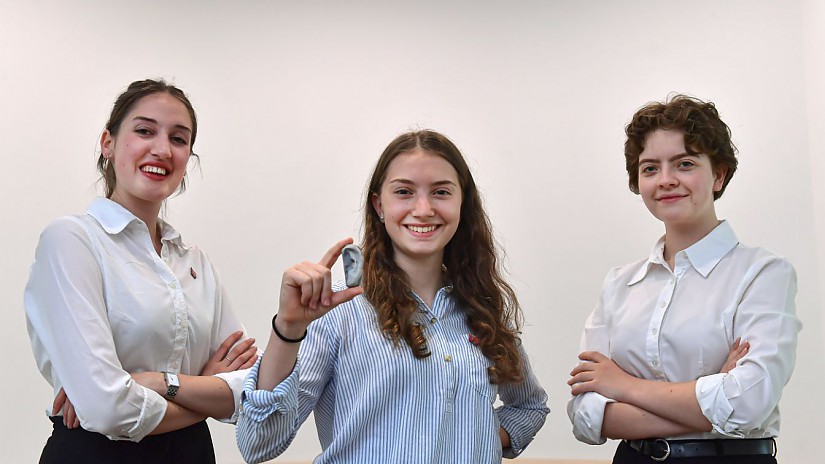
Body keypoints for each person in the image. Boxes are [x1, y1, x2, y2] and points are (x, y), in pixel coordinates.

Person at [236, 130, 549, 463]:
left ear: (462, 203)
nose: (424, 209)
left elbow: (529, 406)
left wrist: (476, 436)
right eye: (404, 192)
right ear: (379, 205)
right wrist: (287, 329)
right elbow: (258, 443)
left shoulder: (481, 308)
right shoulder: (337, 310)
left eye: (441, 192)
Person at [24, 79, 258, 464]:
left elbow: (248, 386)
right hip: (95, 454)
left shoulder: (194, 262)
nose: (163, 149)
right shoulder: (71, 241)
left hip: (193, 454)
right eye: (145, 131)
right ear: (108, 143)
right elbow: (106, 408)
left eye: (179, 139)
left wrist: (155, 383)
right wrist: (205, 394)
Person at [567, 95, 801, 463]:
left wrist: (624, 385)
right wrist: (707, 400)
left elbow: (748, 404)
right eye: (649, 168)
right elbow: (586, 415)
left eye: (685, 163)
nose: (666, 180)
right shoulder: (619, 284)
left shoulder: (763, 274)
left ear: (719, 174)